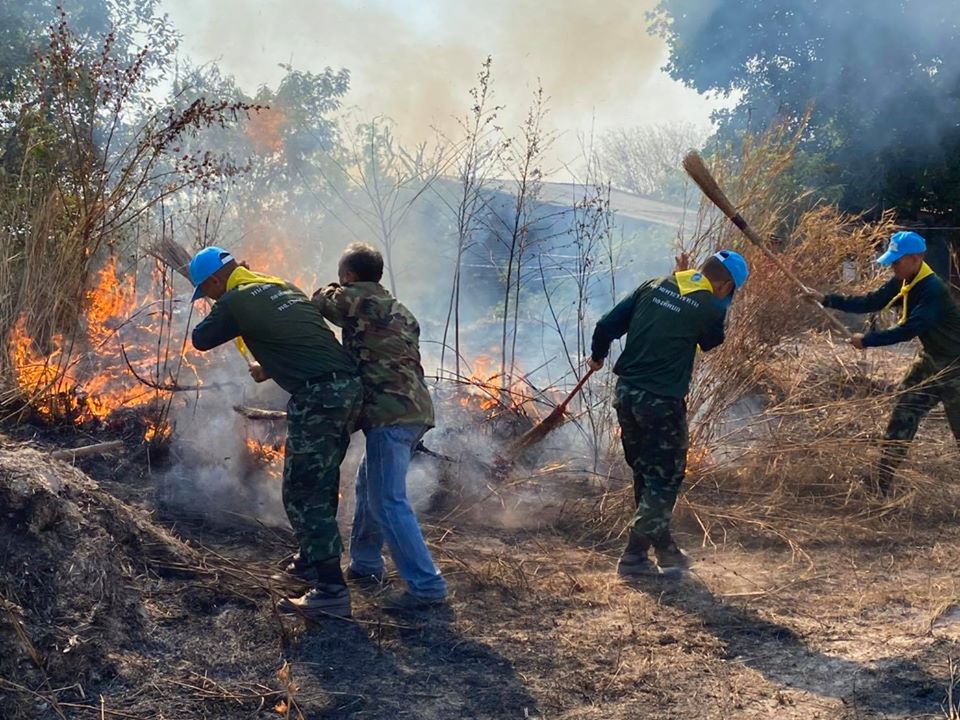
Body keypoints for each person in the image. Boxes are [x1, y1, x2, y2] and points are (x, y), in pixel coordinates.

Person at [188, 246, 362, 619]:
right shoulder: (280, 285)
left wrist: (226, 311)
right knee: (320, 479)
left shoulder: (235, 299)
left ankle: (331, 590)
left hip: (319, 394)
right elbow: (296, 337)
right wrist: (268, 365)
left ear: (216, 280)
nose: (209, 298)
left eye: (207, 291)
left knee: (302, 488)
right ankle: (312, 558)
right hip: (347, 389)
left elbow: (201, 339)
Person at [587, 250, 750, 577]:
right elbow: (712, 341)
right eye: (731, 292)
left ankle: (665, 550)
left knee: (647, 474)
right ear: (726, 286)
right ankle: (633, 555)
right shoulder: (709, 306)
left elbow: (606, 324)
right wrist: (715, 305)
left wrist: (598, 357)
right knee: (665, 477)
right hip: (661, 401)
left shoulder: (654, 284)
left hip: (626, 395)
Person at [312, 242, 448, 611]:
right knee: (368, 485)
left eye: (343, 278)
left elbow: (320, 301)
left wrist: (334, 287)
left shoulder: (357, 299)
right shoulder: (400, 311)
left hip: (391, 414)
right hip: (414, 409)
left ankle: (427, 586)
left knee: (389, 500)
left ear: (350, 277)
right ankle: (366, 563)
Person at [805, 231, 960, 494]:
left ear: (916, 258)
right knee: (904, 411)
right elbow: (871, 301)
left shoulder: (932, 289)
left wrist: (867, 340)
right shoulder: (904, 280)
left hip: (956, 367)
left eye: (896, 261)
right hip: (931, 360)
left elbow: (911, 329)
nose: (892, 266)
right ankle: (882, 482)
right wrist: (826, 299)